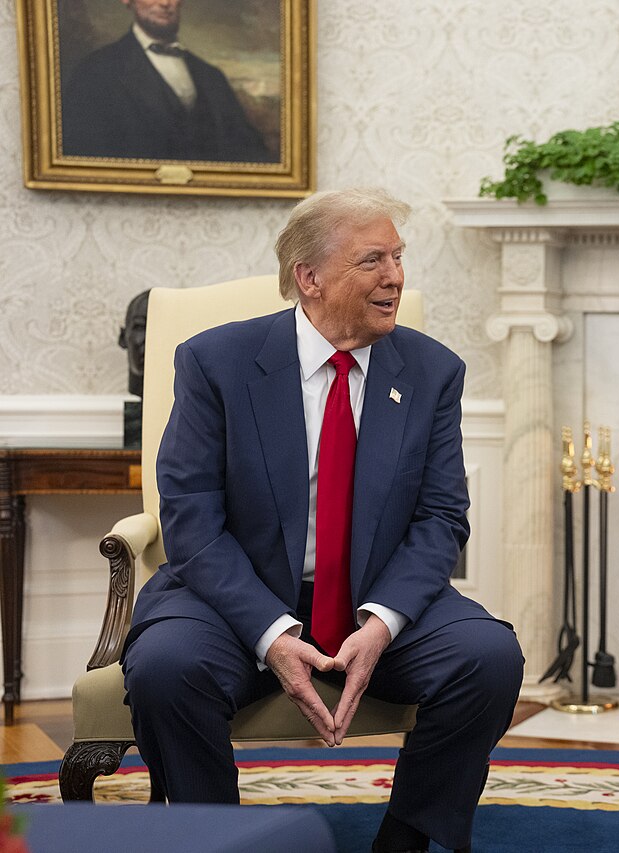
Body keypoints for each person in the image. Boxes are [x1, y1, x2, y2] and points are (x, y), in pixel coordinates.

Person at [121, 188, 523, 853]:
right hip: (236, 597)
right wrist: (272, 632)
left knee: (488, 658)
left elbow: (442, 516)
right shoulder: (215, 362)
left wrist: (383, 620)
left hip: (377, 594)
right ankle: (216, 840)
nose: (395, 276)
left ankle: (406, 840)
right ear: (309, 278)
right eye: (372, 260)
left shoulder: (432, 371)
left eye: (398, 257)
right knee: (166, 668)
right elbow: (190, 518)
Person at [61, 0, 272, 162]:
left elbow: (250, 152)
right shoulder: (96, 71)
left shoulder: (211, 77)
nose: (165, 3)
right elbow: (81, 152)